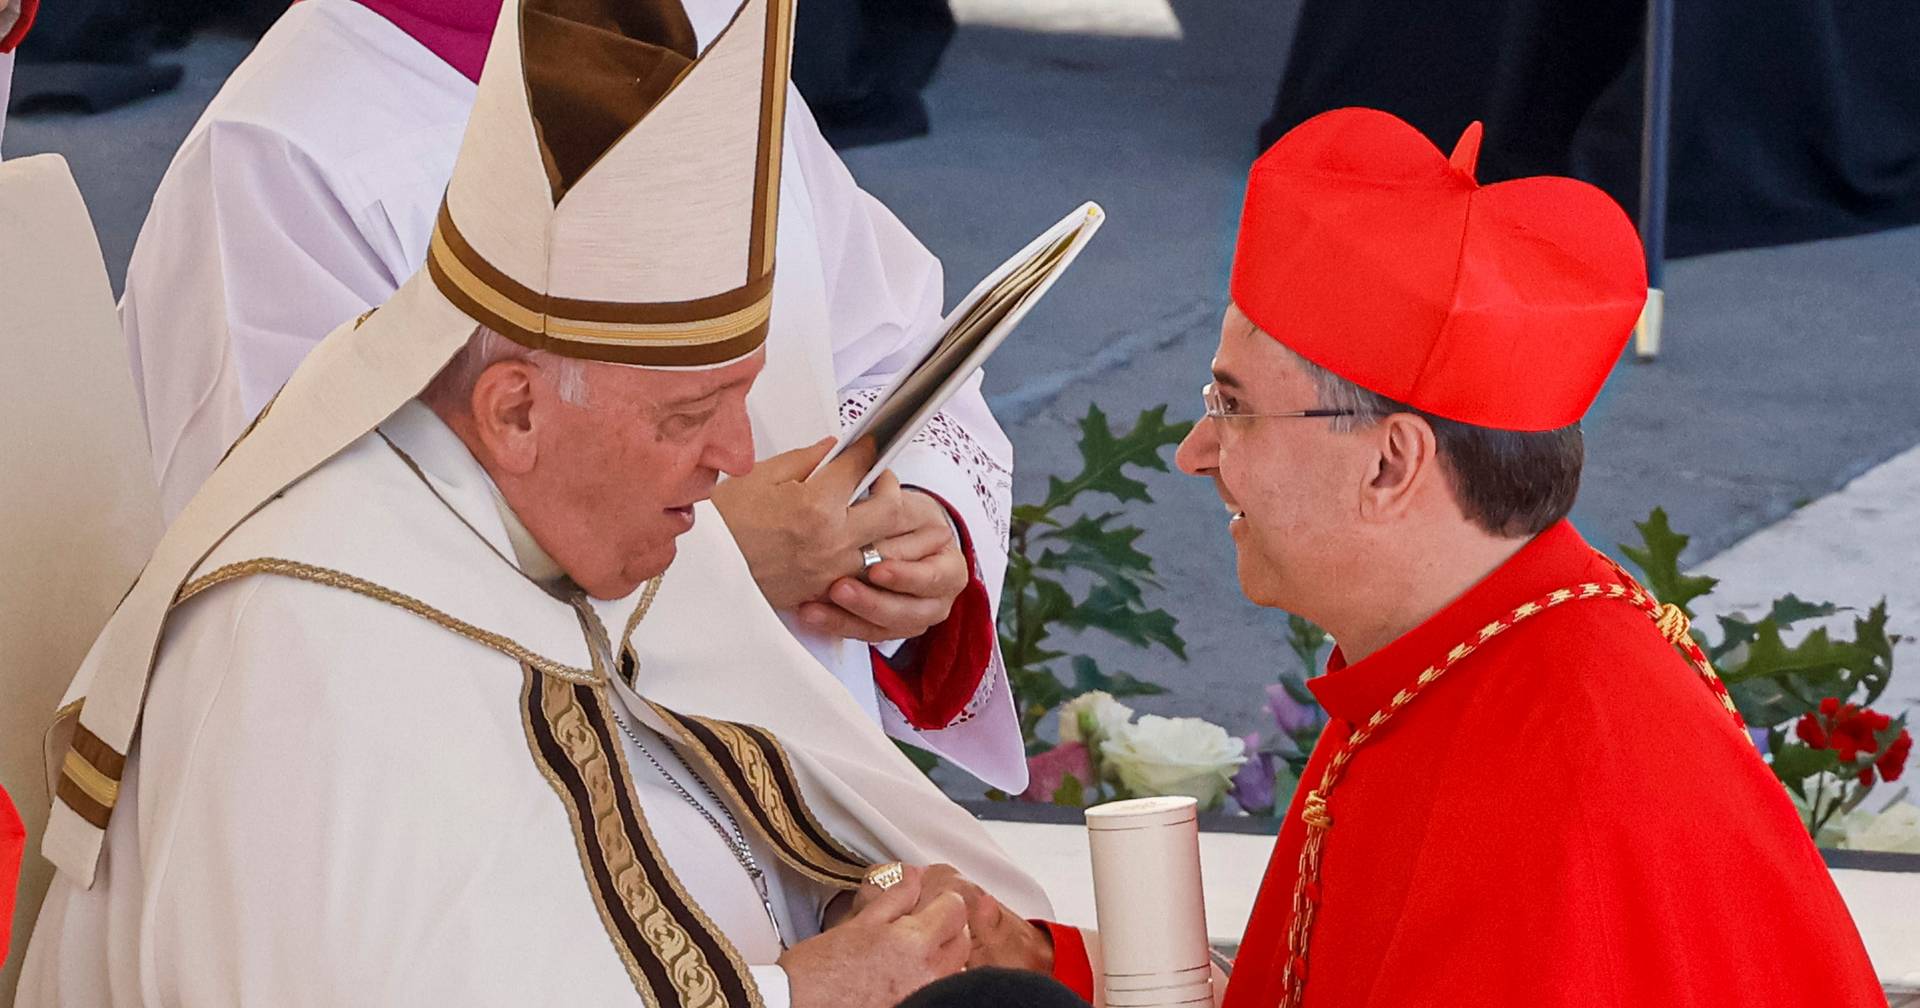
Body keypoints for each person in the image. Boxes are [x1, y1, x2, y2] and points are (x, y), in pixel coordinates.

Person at [16, 0, 1050, 1002]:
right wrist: (794, 997)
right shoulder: (313, 657)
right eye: (692, 417)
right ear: (510, 413)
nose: (744, 452)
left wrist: (895, 904)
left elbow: (731, 827)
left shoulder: (571, 538)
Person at [1036, 107, 1887, 1006]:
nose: (1196, 450)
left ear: (1391, 462)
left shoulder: (1554, 785)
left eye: (1234, 405)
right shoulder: (1454, 651)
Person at [118, 0, 1024, 787]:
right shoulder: (282, 149)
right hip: (512, 827)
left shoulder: (695, 38)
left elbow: (895, 351)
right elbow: (284, 582)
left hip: (806, 768)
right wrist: (715, 562)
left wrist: (918, 526)